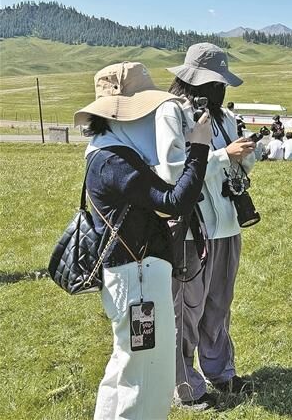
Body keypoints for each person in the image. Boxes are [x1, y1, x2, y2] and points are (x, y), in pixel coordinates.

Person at [73, 61, 212, 420]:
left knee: (126, 365)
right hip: (138, 281)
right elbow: (175, 201)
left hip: (132, 276)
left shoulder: (106, 152)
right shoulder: (115, 161)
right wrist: (199, 148)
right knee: (148, 378)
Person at [154, 43, 257, 410]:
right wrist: (223, 156)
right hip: (190, 228)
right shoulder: (171, 112)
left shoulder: (224, 117)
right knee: (185, 310)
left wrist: (244, 155)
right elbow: (171, 170)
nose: (220, 89)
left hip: (227, 224)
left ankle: (221, 372)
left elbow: (239, 166)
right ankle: (186, 387)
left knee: (219, 305)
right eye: (216, 83)